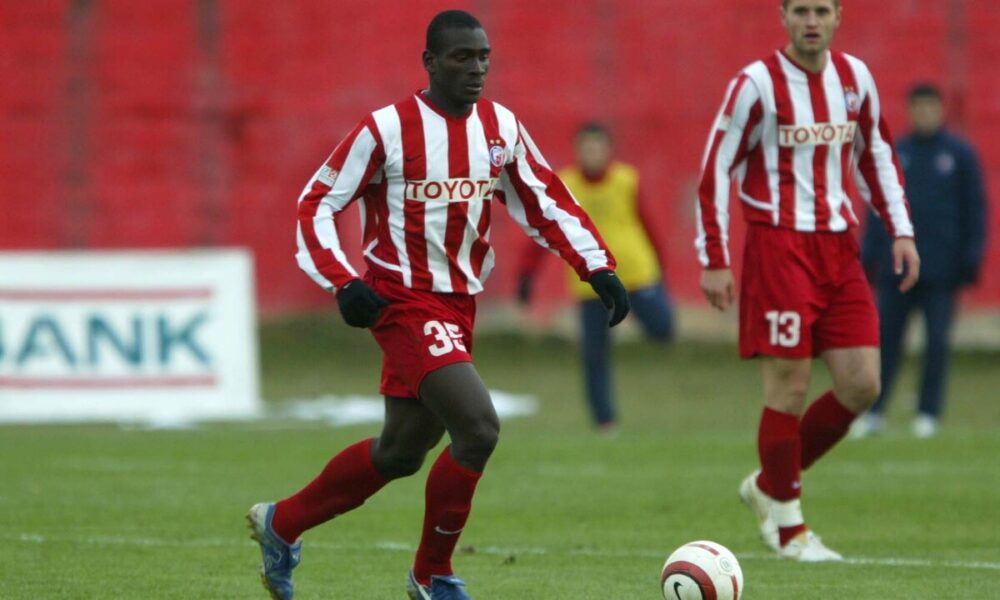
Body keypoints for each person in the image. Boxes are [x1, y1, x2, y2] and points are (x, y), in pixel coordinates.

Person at [246, 10, 629, 600]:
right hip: (401, 302)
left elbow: (548, 199)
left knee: (400, 451)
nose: (476, 69)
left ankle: (283, 523)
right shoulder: (386, 130)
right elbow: (316, 202)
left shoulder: (500, 128)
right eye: (461, 58)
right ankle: (433, 577)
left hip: (458, 305)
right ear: (429, 62)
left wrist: (596, 265)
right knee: (478, 427)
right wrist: (344, 282)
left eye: (483, 57)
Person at [695, 0, 920, 561]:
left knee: (863, 383)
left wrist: (901, 229)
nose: (811, 20)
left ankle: (769, 486)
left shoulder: (855, 78)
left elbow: (876, 154)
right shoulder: (756, 84)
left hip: (839, 249)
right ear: (784, 17)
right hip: (778, 244)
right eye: (801, 10)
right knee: (790, 386)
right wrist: (715, 256)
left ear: (839, 15)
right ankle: (791, 532)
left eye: (822, 9)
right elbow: (715, 166)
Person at [517, 122, 675, 432]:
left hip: (636, 274)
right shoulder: (564, 184)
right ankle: (605, 422)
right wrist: (526, 275)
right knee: (593, 356)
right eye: (586, 148)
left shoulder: (626, 180)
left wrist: (661, 265)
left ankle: (630, 323)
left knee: (663, 329)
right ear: (577, 151)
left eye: (597, 147)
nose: (592, 153)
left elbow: (647, 224)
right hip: (591, 281)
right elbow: (544, 227)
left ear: (608, 150)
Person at [854, 83, 987, 439]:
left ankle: (927, 413)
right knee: (886, 342)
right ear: (910, 110)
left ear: (940, 110)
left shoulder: (959, 156)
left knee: (937, 343)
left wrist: (971, 258)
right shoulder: (896, 153)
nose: (925, 114)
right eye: (919, 108)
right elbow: (878, 207)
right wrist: (867, 256)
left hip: (941, 270)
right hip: (896, 270)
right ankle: (874, 411)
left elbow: (975, 210)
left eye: (931, 107)